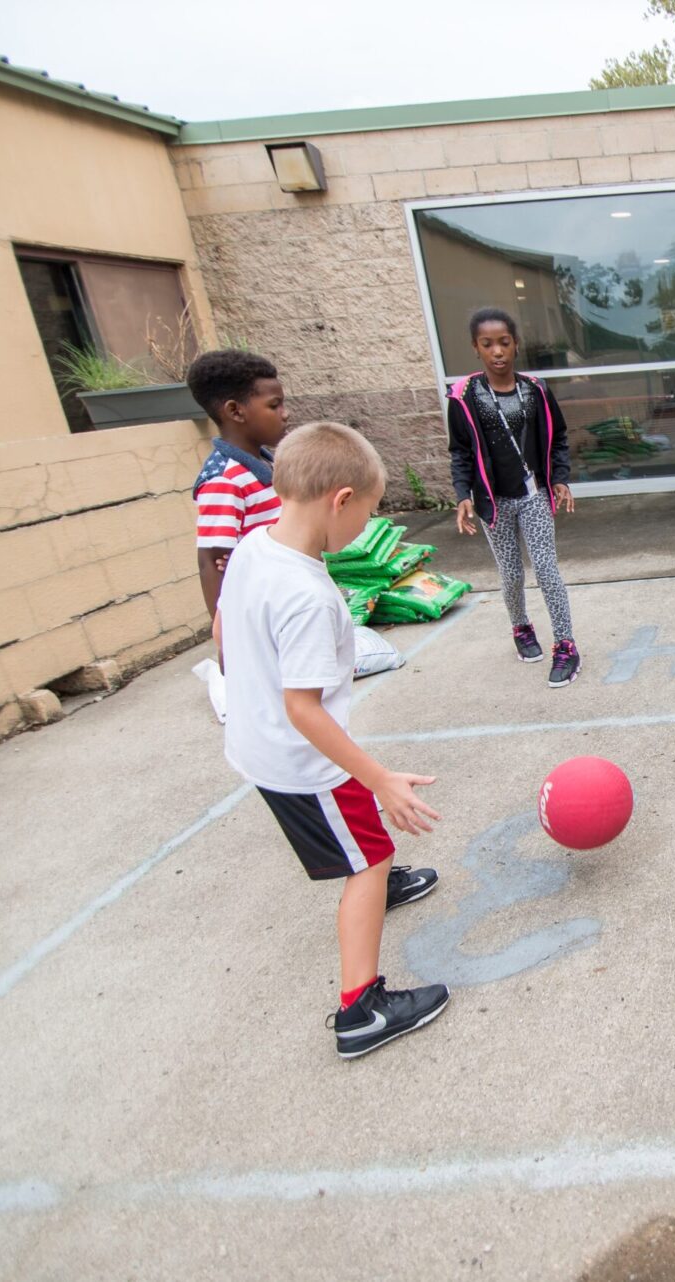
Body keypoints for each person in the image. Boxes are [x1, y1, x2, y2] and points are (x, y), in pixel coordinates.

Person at [216, 421, 449, 1057]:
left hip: (259, 744)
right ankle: (361, 1010)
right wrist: (380, 778)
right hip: (303, 759)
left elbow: (222, 628)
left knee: (362, 846)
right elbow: (305, 710)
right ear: (340, 500)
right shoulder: (308, 594)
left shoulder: (253, 549)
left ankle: (378, 885)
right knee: (368, 856)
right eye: (369, 513)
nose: (366, 529)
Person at [447, 307, 581, 688]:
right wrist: (463, 495)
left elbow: (559, 437)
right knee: (510, 573)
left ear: (515, 344)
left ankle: (566, 645)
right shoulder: (464, 397)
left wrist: (560, 478)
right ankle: (521, 627)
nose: (498, 352)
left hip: (533, 495)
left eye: (504, 342)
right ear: (476, 348)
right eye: (488, 344)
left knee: (546, 569)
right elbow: (459, 451)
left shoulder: (535, 390)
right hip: (494, 501)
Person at [188, 349, 289, 622]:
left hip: (286, 598)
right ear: (235, 411)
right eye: (274, 405)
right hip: (259, 614)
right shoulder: (224, 480)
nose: (285, 414)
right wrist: (225, 638)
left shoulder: (270, 464)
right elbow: (211, 562)